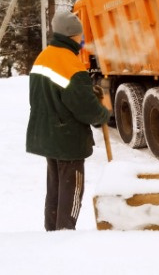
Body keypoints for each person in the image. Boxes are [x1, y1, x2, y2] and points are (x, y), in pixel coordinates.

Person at [26, 12, 110, 231]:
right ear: (72, 35)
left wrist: (85, 91)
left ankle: (52, 232)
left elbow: (53, 93)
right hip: (68, 140)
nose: (82, 39)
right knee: (72, 192)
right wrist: (103, 114)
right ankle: (65, 236)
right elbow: (85, 109)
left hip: (48, 136)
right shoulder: (70, 64)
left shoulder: (45, 56)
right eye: (80, 34)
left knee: (55, 190)